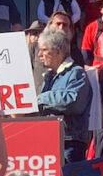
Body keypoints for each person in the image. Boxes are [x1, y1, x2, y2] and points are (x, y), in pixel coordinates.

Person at [35, 29, 92, 159]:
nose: (39, 54)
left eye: (44, 50)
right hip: (50, 140)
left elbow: (74, 102)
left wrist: (40, 98)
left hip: (69, 142)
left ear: (57, 51)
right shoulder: (49, 77)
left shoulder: (77, 73)